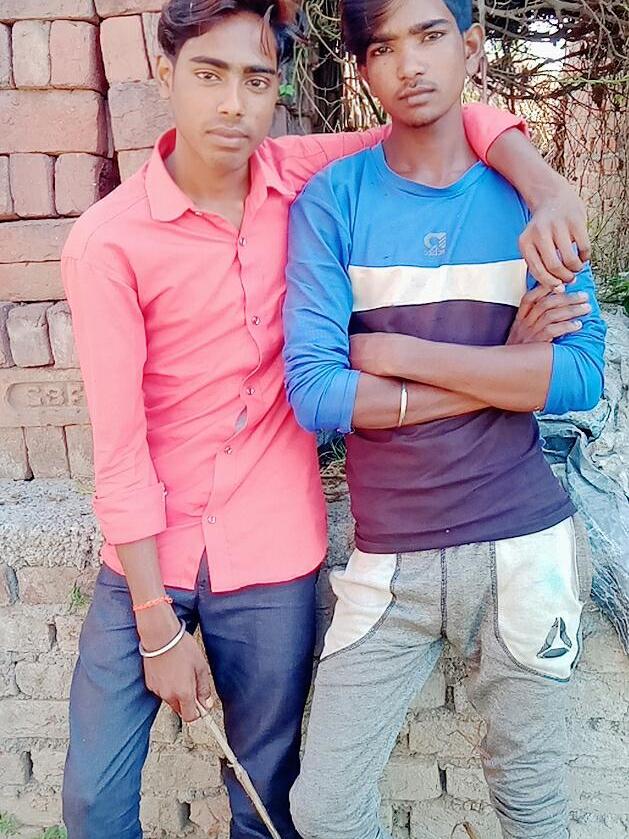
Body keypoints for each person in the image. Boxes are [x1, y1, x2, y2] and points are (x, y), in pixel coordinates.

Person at [61, 0, 596, 836]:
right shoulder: (112, 240)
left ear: (278, 88)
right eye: (208, 75)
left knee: (268, 792)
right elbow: (135, 443)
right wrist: (154, 621)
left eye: (255, 80)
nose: (232, 104)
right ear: (165, 75)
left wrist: (546, 182)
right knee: (95, 797)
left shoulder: (299, 174)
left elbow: (441, 115)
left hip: (277, 547)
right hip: (153, 553)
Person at [283, 0, 607, 836]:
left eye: (430, 36)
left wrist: (393, 352)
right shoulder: (332, 202)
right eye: (383, 47)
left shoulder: (531, 203)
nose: (410, 64)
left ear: (470, 45)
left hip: (524, 546)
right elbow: (316, 392)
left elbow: (576, 375)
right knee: (324, 806)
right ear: (362, 68)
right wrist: (506, 368)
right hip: (389, 557)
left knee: (531, 804)